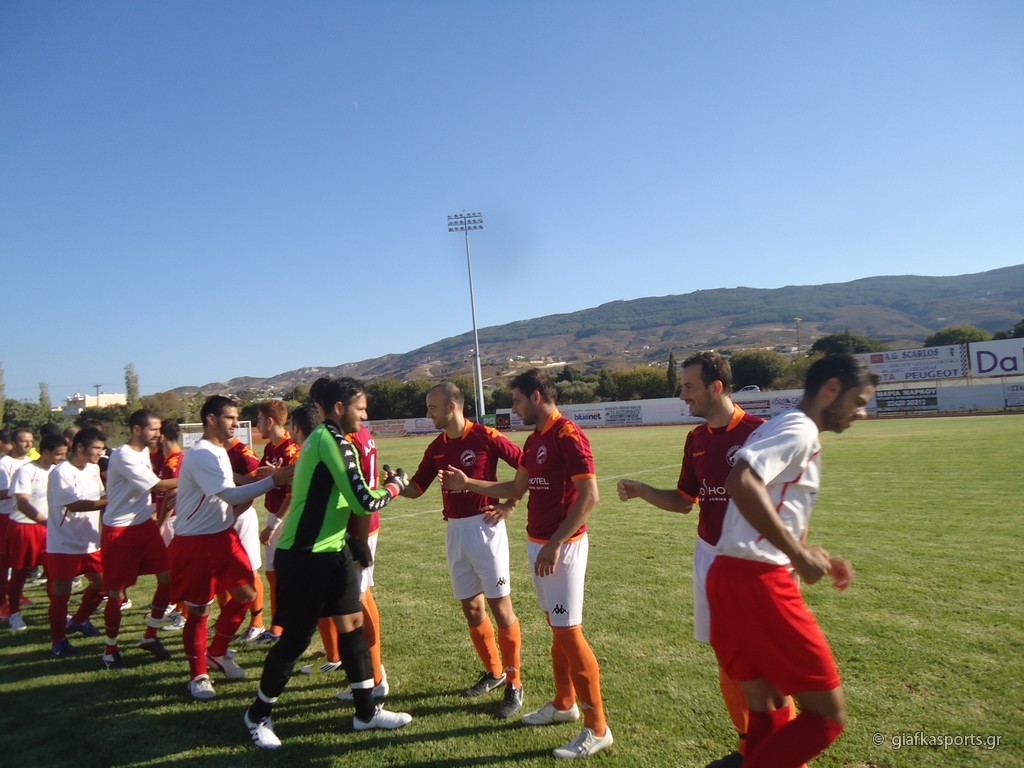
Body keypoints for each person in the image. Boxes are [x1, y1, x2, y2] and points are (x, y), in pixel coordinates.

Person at [707, 353, 878, 768]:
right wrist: (797, 553)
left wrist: (814, 553)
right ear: (832, 388)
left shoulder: (782, 424)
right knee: (827, 718)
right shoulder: (799, 429)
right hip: (758, 582)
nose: (861, 413)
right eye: (858, 401)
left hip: (729, 575)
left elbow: (774, 505)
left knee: (768, 703)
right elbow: (741, 481)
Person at [442, 369, 612, 759]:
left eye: (517, 400)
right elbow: (516, 489)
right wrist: (468, 484)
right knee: (558, 631)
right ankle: (564, 703)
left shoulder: (568, 435)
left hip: (562, 549)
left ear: (536, 397)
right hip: (541, 546)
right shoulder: (535, 439)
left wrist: (555, 544)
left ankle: (597, 727)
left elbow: (590, 495)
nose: (513, 408)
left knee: (569, 633)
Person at [242, 376, 412, 750]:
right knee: (296, 639)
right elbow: (364, 501)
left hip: (334, 551)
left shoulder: (337, 441)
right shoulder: (330, 441)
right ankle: (257, 715)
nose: (365, 415)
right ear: (339, 408)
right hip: (304, 556)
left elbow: (347, 499)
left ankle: (365, 712)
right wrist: (396, 486)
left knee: (352, 626)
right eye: (360, 408)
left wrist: (356, 541)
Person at [617, 351, 765, 768]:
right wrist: (644, 491)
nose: (682, 395)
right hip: (709, 556)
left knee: (760, 661)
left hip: (751, 561)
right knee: (727, 657)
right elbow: (685, 501)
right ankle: (747, 748)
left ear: (716, 387)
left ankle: (780, 754)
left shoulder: (759, 433)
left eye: (688, 387)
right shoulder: (696, 439)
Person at [404, 381, 526, 719]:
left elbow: (526, 465)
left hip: (486, 528)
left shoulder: (485, 436)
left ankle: (514, 683)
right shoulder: (437, 447)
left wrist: (510, 504)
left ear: (452, 406)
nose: (428, 413)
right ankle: (494, 671)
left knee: (501, 608)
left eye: (432, 407)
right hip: (455, 532)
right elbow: (417, 487)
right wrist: (393, 487)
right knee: (471, 608)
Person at [169, 396, 293, 700]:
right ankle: (198, 675)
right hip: (196, 540)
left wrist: (263, 476)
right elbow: (228, 494)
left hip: (222, 535)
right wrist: (273, 480)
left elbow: (232, 488)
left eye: (237, 418)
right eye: (230, 418)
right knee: (199, 610)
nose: (237, 423)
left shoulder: (218, 451)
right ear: (211, 419)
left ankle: (218, 652)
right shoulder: (201, 454)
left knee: (246, 594)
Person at [100, 409, 178, 668]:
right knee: (117, 593)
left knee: (168, 578)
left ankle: (150, 635)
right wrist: (195, 477)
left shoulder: (144, 451)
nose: (158, 434)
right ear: (136, 429)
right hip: (120, 531)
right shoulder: (123, 455)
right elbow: (157, 486)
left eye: (159, 429)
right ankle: (110, 649)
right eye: (153, 429)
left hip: (144, 526)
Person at [46, 427, 109, 656]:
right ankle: (58, 641)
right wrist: (111, 502)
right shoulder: (61, 472)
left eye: (102, 448)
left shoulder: (93, 468)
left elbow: (101, 496)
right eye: (96, 448)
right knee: (61, 594)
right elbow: (73, 505)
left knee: (103, 585)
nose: (100, 453)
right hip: (64, 544)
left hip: (91, 542)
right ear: (80, 447)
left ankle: (80, 620)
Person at [250, 399, 300, 645]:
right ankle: (278, 627)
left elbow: (292, 494)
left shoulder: (291, 450)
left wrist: (273, 524)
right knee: (273, 574)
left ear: (270, 421)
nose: (257, 425)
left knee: (285, 576)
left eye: (259, 420)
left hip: (287, 518)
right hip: (276, 515)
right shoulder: (271, 447)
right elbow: (258, 479)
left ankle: (283, 628)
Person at [7, 434, 68, 631]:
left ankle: (58, 611)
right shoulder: (25, 471)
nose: (62, 458)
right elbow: (22, 503)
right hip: (24, 527)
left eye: (64, 454)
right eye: (59, 454)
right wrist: (44, 520)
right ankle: (14, 613)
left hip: (50, 529)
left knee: (55, 572)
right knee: (20, 573)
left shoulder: (58, 471)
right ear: (46, 453)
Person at [224, 433, 267, 643]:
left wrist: (230, 474)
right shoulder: (212, 450)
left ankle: (257, 623)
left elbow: (256, 483)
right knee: (223, 571)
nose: (232, 423)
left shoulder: (242, 451)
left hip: (240, 516)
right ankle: (226, 621)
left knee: (250, 570)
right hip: (220, 517)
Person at [0, 427, 35, 620]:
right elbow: (2, 493)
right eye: (24, 441)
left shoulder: (31, 463)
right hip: (5, 516)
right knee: (4, 561)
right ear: (13, 443)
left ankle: (16, 593)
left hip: (25, 517)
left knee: (22, 561)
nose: (29, 444)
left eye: (31, 441)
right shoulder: (4, 464)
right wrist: (21, 491)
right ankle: (2, 603)